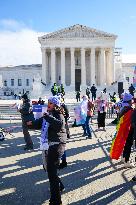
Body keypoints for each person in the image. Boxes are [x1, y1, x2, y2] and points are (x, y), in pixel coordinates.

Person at [27, 96, 67, 205]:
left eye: (51, 103)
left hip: (57, 145)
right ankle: (60, 186)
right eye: (48, 102)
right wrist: (29, 124)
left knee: (51, 173)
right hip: (48, 145)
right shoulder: (47, 115)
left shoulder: (58, 114)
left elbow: (59, 125)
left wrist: (47, 117)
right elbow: (37, 123)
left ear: (56, 105)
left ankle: (56, 201)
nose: (48, 104)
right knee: (50, 170)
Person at [119, 93, 135, 168]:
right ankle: (127, 161)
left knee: (126, 144)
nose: (132, 100)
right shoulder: (130, 109)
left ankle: (124, 158)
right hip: (129, 129)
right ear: (129, 101)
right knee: (129, 145)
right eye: (131, 99)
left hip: (123, 129)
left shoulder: (123, 107)